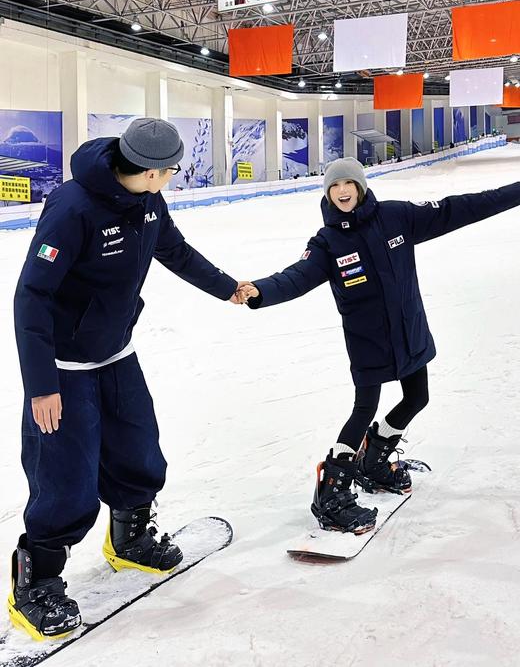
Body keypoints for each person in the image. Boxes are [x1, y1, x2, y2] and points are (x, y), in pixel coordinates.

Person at [9, 118, 248, 641]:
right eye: (169, 172)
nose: (171, 180)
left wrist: (227, 288)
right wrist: (42, 383)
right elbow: (32, 295)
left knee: (138, 450)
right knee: (65, 475)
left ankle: (129, 538)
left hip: (116, 351)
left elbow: (175, 251)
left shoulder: (147, 202)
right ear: (147, 169)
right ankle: (36, 582)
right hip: (65, 365)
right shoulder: (72, 208)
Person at [238, 157, 520, 536]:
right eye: (335, 186)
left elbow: (462, 207)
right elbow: (296, 277)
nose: (342, 191)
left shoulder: (397, 217)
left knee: (417, 397)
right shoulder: (327, 243)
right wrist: (260, 291)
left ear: (360, 186)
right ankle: (332, 492)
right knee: (363, 408)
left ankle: (374, 457)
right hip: (368, 341)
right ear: (327, 192)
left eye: (349, 184)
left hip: (408, 331)